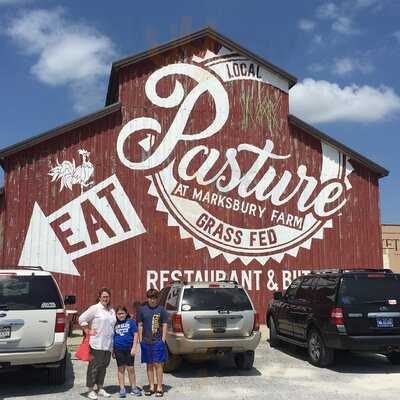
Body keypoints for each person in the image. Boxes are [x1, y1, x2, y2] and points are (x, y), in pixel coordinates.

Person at [79, 288, 116, 400]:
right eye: (104, 296)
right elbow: (82, 318)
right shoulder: (95, 308)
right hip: (97, 343)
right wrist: (87, 330)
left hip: (108, 344)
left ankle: (100, 388)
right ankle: (90, 390)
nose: (105, 298)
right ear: (99, 297)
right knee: (94, 367)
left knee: (103, 367)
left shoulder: (111, 310)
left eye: (107, 296)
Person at [138, 289, 169, 397]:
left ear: (157, 299)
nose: (152, 300)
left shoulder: (161, 310)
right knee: (149, 364)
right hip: (146, 341)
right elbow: (140, 324)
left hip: (157, 341)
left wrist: (163, 339)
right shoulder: (142, 310)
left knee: (158, 364)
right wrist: (140, 340)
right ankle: (151, 387)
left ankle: (159, 387)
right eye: (150, 298)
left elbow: (165, 324)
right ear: (147, 298)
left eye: (154, 298)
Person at [113, 305, 142, 398]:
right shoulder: (114, 323)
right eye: (118, 314)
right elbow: (112, 336)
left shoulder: (131, 322)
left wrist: (134, 347)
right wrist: (113, 350)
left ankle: (133, 388)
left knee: (130, 368)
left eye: (122, 313)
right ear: (116, 315)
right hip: (118, 349)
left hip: (129, 349)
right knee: (121, 369)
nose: (120, 315)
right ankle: (122, 388)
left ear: (126, 313)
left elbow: (136, 334)